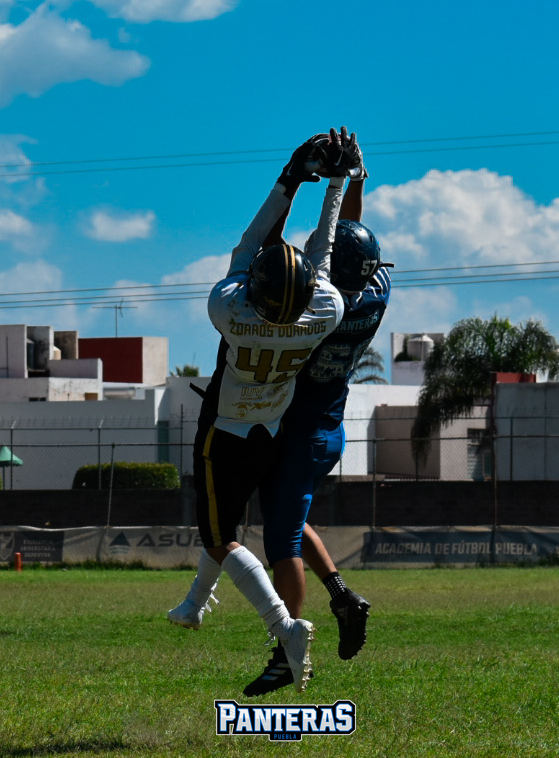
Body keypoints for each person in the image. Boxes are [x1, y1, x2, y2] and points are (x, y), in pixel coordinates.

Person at [168, 128, 362, 694]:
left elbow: (246, 248)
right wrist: (336, 183)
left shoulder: (229, 310)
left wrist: (288, 181)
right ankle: (193, 604)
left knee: (218, 536)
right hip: (270, 430)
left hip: (225, 428)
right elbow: (322, 256)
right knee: (227, 521)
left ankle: (285, 625)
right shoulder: (322, 312)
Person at [244, 168, 391, 696]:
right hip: (328, 429)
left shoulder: (316, 309)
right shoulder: (376, 294)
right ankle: (342, 595)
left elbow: (334, 250)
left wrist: (340, 181)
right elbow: (353, 240)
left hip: (300, 431)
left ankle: (286, 650)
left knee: (280, 538)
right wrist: (356, 181)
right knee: (289, 519)